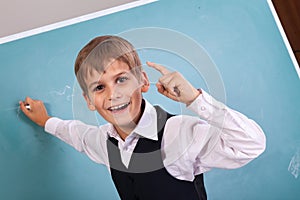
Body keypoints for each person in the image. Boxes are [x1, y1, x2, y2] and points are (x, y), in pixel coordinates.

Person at [19, 35, 266, 200]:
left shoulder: (177, 133)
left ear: (143, 81)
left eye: (121, 80)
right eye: (99, 87)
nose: (113, 95)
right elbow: (76, 134)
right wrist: (45, 121)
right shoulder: (104, 141)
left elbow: (251, 144)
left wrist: (194, 99)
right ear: (89, 101)